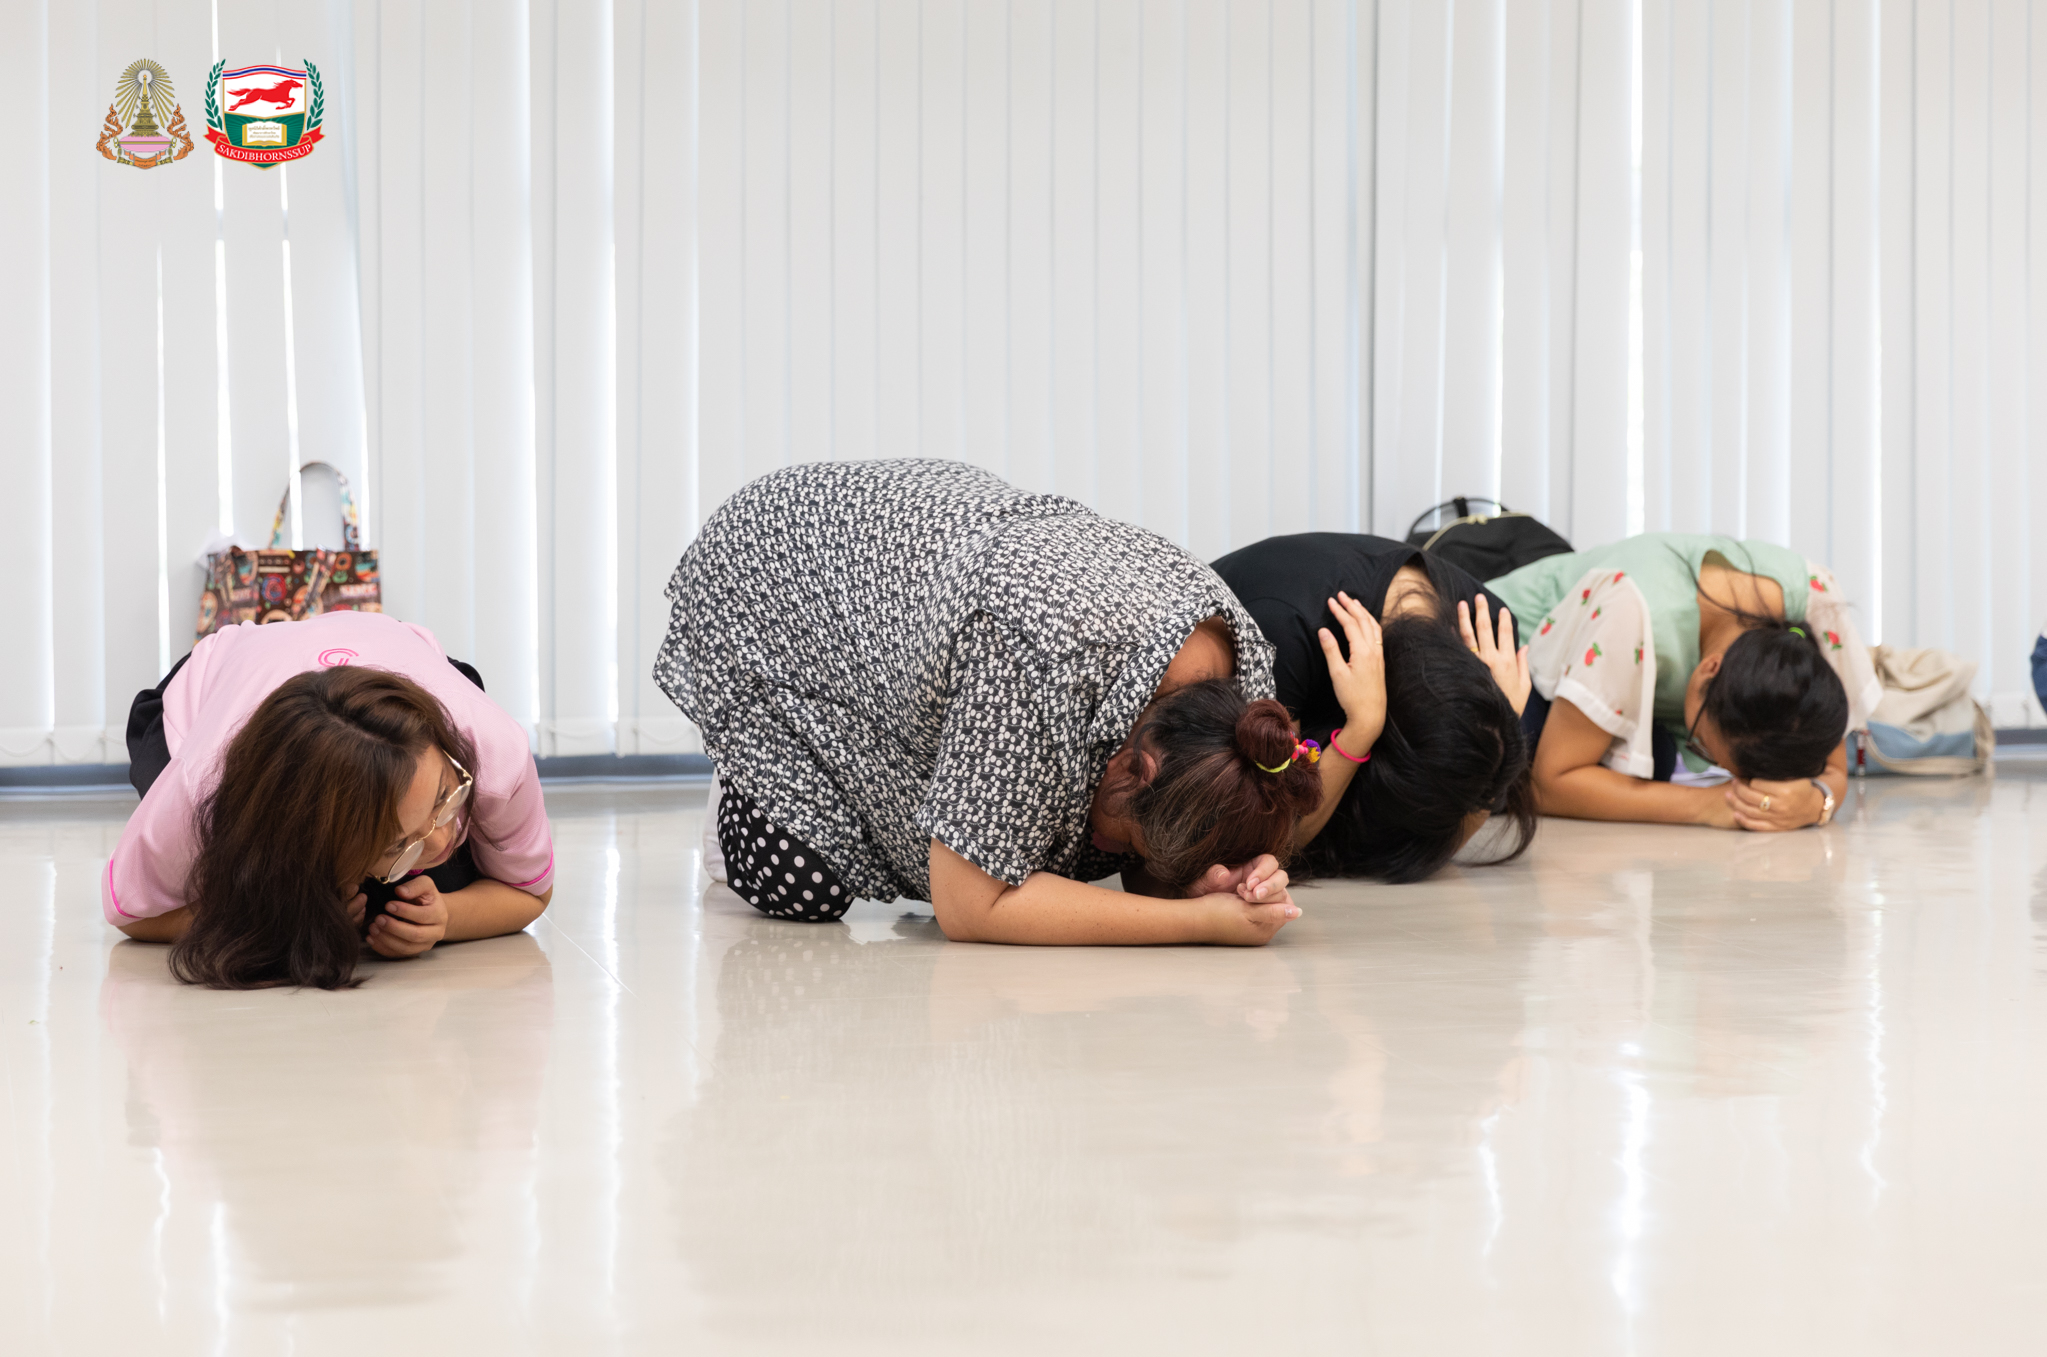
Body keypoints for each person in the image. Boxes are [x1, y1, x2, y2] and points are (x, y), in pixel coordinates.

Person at [654, 459, 1368, 947]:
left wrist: (1226, 877)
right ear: (1134, 764)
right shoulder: (1037, 658)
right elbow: (970, 907)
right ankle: (746, 780)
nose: (1116, 857)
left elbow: (1170, 848)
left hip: (951, 577)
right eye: (1131, 841)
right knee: (804, 886)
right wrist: (1198, 923)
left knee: (1043, 848)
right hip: (789, 564)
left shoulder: (1241, 687)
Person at [107, 612, 556, 988]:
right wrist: (289, 919)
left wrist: (449, 919)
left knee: (431, 887)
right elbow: (132, 914)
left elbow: (530, 891)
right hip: (222, 674)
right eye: (396, 843)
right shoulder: (200, 789)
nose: (441, 842)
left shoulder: (495, 752)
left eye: (445, 795)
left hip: (390, 648)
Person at [1483, 533, 1882, 830]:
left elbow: (1833, 769)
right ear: (1709, 668)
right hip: (1504, 652)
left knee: (1647, 758)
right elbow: (1549, 785)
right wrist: (1707, 806)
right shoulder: (1631, 611)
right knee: (1498, 756)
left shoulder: (1818, 605)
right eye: (1702, 746)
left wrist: (1816, 803)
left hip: (1614, 667)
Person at [1212, 533, 1537, 883]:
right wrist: (1361, 728)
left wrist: (1501, 727)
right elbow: (1275, 839)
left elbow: (1459, 808)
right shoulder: (1285, 630)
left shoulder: (1486, 632)